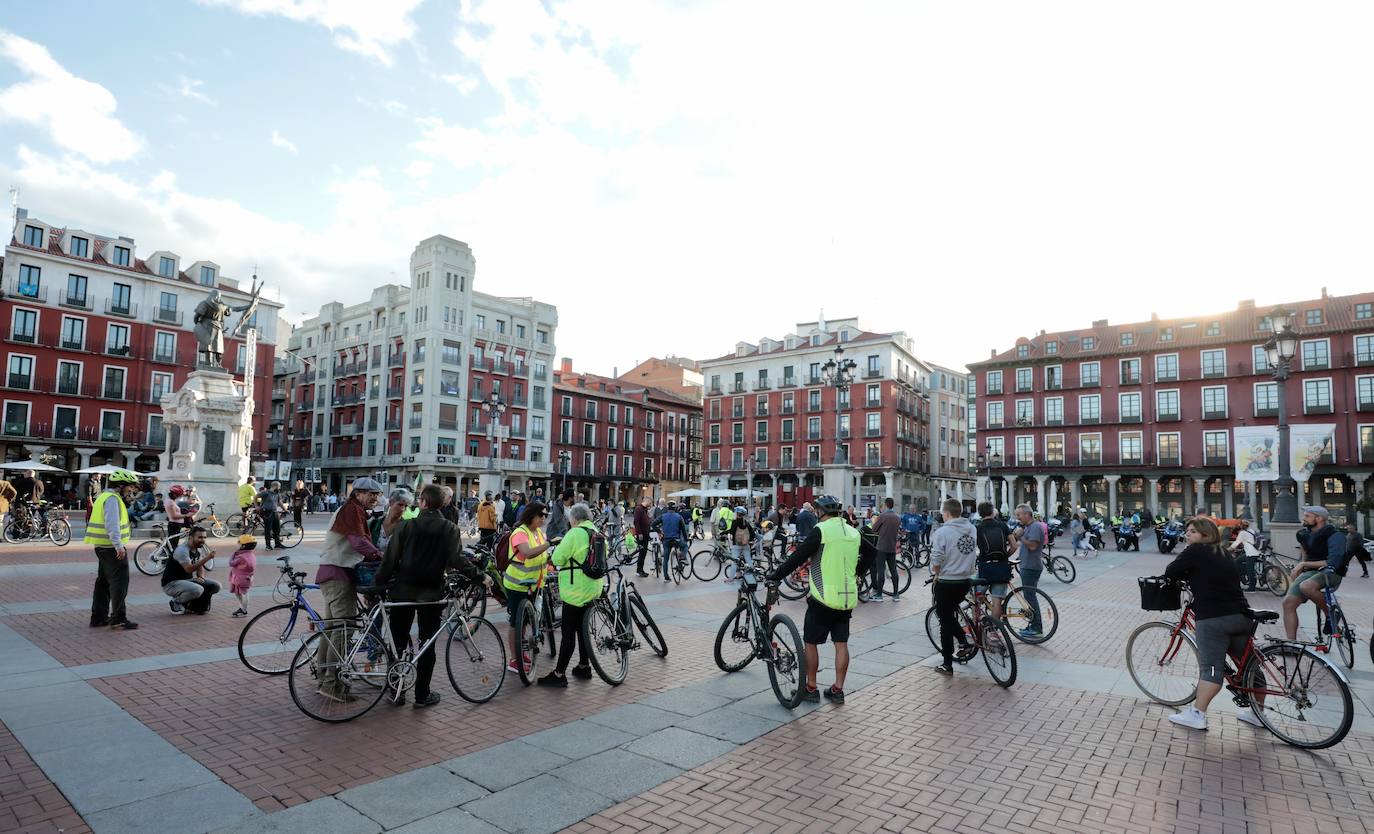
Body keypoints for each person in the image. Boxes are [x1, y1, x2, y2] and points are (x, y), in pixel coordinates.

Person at [373, 484, 490, 708]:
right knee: (427, 644)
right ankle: (422, 695)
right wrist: (479, 576)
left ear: (423, 503)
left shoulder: (406, 526)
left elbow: (389, 560)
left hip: (402, 591)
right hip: (431, 594)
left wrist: (377, 585)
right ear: (442, 503)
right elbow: (457, 560)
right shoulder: (449, 528)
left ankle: (396, 690)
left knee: (397, 641)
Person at [767, 494, 876, 704]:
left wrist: (776, 576)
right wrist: (857, 572)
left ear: (821, 512)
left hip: (823, 597)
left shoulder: (821, 531)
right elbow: (872, 553)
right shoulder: (853, 532)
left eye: (817, 511)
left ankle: (811, 688)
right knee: (841, 643)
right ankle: (838, 690)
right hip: (847, 598)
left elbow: (798, 557)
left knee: (810, 643)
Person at [1162, 517, 1264, 731]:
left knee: (1210, 669)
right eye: (1187, 530)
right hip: (1241, 616)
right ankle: (1258, 713)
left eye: (1192, 531)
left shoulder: (1196, 551)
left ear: (1205, 536)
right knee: (1249, 666)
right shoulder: (1225, 552)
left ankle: (1197, 714)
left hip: (1213, 618)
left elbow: (1171, 571)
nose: (1187, 534)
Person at [313, 477, 384, 702]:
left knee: (333, 629)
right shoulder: (352, 510)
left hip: (333, 573)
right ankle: (332, 685)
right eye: (370, 493)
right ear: (358, 494)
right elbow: (358, 543)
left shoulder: (354, 510)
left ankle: (324, 678)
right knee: (344, 629)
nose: (375, 498)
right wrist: (382, 555)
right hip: (338, 574)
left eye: (377, 494)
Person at [538, 502, 601, 687]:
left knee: (568, 633)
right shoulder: (595, 531)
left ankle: (559, 674)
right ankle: (584, 666)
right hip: (593, 587)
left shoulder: (575, 533)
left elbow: (558, 559)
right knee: (582, 630)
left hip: (576, 590)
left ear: (574, 518)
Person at [1283, 506, 1349, 640]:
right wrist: (1300, 568)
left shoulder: (1335, 536)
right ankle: (1291, 643)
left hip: (1332, 572)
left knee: (1306, 586)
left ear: (1319, 519)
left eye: (1307, 516)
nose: (1304, 519)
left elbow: (1333, 562)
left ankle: (1331, 614)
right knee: (1288, 602)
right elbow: (1305, 553)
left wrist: (1303, 564)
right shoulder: (1303, 534)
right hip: (1311, 572)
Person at [503, 502, 554, 674]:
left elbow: (541, 557)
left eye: (545, 515)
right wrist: (549, 544)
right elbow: (528, 552)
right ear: (531, 515)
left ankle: (521, 651)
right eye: (541, 515)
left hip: (533, 584)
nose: (544, 519)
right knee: (516, 623)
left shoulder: (538, 532)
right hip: (517, 583)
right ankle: (514, 659)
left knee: (523, 621)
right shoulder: (520, 533)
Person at [86, 469, 141, 629]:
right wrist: (118, 546)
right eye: (130, 487)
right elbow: (112, 524)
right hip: (111, 548)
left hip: (102, 546)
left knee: (103, 583)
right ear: (121, 485)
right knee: (119, 583)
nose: (131, 490)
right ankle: (118, 618)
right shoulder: (112, 499)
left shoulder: (104, 496)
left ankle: (98, 617)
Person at [929, 499, 978, 675]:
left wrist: (937, 573)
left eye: (943, 513)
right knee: (949, 614)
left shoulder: (943, 532)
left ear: (947, 513)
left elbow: (937, 558)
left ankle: (947, 663)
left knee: (945, 621)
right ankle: (963, 642)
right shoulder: (972, 529)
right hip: (965, 580)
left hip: (947, 581)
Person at [1009, 504, 1048, 639]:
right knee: (1029, 597)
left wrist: (1020, 537)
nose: (1017, 518)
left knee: (1030, 597)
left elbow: (1032, 546)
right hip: (1028, 565)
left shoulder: (1035, 527)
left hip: (1031, 567)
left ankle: (1037, 628)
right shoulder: (1029, 527)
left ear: (1027, 514)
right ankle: (1033, 626)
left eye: (1019, 515)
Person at [162, 526, 221, 615]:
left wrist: (201, 577)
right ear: (191, 538)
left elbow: (199, 567)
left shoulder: (198, 549)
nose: (203, 540)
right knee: (198, 589)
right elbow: (188, 569)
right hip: (171, 584)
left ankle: (194, 607)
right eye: (200, 537)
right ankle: (176, 602)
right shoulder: (182, 551)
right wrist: (208, 558)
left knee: (215, 586)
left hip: (187, 581)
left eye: (204, 537)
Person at [973, 501, 1013, 620]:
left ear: (980, 513)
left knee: (976, 597)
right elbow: (1015, 545)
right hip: (1002, 566)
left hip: (985, 566)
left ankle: (976, 626)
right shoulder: (1003, 525)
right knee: (997, 600)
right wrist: (1005, 555)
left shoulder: (978, 528)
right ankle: (994, 630)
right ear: (992, 511)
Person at [866, 498, 902, 601]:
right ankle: (896, 594)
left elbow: (874, 529)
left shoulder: (883, 516)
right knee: (893, 570)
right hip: (892, 547)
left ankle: (879, 595)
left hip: (882, 547)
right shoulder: (897, 517)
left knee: (880, 571)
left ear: (886, 505)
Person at [228, 534, 257, 617]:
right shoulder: (251, 555)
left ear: (244, 546)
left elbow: (231, 563)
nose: (238, 544)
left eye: (239, 543)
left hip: (240, 579)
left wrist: (234, 554)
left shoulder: (241, 557)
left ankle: (243, 610)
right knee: (242, 593)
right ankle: (242, 608)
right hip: (247, 578)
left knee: (242, 594)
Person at [1229, 519, 1260, 591]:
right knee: (1237, 561)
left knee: (1250, 570)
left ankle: (1252, 588)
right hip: (1256, 551)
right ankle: (1243, 573)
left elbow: (1236, 543)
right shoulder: (1251, 531)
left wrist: (1228, 549)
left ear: (1241, 526)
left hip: (1251, 553)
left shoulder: (1242, 533)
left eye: (1240, 525)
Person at [658, 502, 686, 580]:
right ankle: (683, 558)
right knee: (684, 546)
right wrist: (686, 539)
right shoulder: (679, 516)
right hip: (676, 539)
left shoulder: (663, 516)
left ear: (668, 508)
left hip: (666, 539)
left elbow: (653, 524)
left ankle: (666, 576)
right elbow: (683, 530)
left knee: (666, 558)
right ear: (675, 508)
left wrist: (659, 532)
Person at [258, 481, 284, 550]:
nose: (280, 488)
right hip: (267, 513)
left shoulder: (277, 493)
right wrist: (256, 506)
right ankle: (268, 545)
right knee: (268, 529)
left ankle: (277, 544)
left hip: (275, 512)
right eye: (279, 487)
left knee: (277, 529)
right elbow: (255, 497)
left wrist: (285, 509)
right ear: (275, 486)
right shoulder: (266, 492)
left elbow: (280, 502)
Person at [632, 497, 653, 578]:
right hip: (642, 534)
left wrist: (649, 517)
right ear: (646, 501)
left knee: (644, 553)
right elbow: (636, 521)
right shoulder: (639, 509)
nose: (650, 504)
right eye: (650, 502)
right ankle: (639, 570)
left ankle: (641, 569)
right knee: (642, 552)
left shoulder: (645, 509)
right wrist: (639, 533)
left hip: (646, 533)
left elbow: (647, 520)